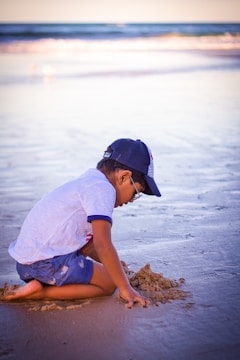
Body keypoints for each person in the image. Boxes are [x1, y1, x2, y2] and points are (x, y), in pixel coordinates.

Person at [3, 138, 161, 308]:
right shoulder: (103, 189)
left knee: (101, 256)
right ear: (123, 177)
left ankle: (39, 284)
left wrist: (109, 263)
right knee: (109, 284)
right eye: (136, 192)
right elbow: (103, 244)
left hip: (26, 265)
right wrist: (125, 287)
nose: (132, 200)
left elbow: (91, 245)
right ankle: (42, 292)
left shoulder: (88, 182)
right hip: (46, 264)